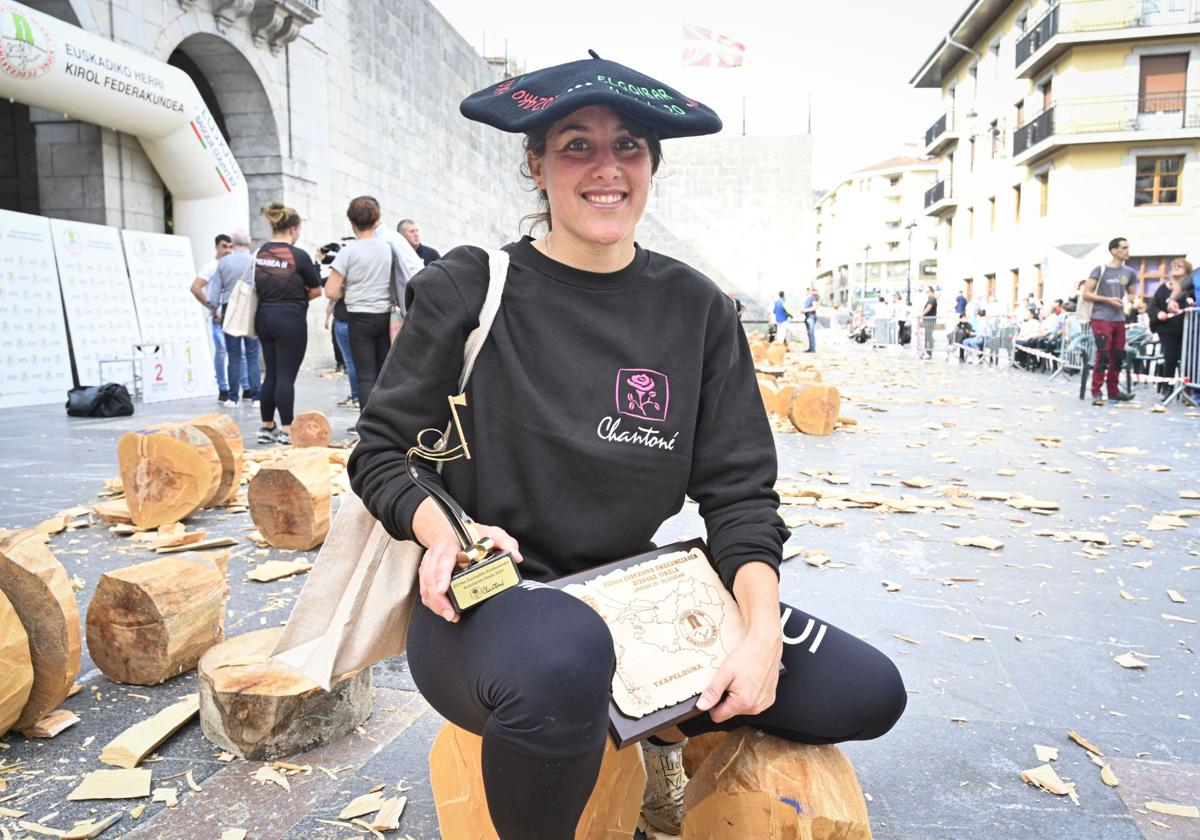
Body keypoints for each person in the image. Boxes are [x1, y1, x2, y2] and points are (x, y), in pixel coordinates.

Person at [347, 55, 906, 840]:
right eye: (577, 145)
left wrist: (759, 633)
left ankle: (661, 731)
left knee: (866, 691)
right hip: (489, 596)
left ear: (652, 166)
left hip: (638, 593)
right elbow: (378, 453)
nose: (606, 169)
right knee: (564, 659)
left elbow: (741, 496)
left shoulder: (699, 308)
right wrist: (447, 532)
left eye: (630, 146)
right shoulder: (469, 287)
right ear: (536, 166)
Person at [254, 202, 322, 445]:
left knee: (270, 373)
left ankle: (266, 427)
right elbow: (316, 290)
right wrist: (299, 295)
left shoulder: (260, 253)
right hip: (290, 319)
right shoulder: (298, 256)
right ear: (293, 229)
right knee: (285, 376)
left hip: (263, 317)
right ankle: (286, 429)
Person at [326, 197, 395, 408]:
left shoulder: (348, 252)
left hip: (359, 318)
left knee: (365, 375)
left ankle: (367, 428)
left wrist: (347, 286)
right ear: (377, 220)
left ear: (352, 222)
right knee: (384, 374)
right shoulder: (387, 248)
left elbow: (331, 290)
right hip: (384, 316)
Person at [209, 230, 262, 410]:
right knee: (252, 354)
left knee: (234, 354)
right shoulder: (256, 260)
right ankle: (256, 397)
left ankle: (233, 397)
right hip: (252, 308)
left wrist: (213, 309)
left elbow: (215, 291)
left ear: (233, 243)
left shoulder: (223, 263)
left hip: (229, 308)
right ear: (248, 243)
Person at [1082, 237, 1137, 406]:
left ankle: (1113, 392)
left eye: (1128, 247)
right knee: (1103, 354)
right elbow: (1086, 293)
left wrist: (1132, 302)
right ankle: (1097, 392)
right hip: (1101, 317)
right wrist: (1107, 300)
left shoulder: (1129, 272)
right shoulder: (1100, 269)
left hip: (1119, 318)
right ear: (1114, 250)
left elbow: (1131, 294)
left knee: (1118, 355)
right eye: (1124, 247)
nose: (1128, 250)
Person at [190, 234, 234, 402]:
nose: (228, 251)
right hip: (218, 318)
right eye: (224, 247)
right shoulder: (211, 266)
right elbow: (195, 288)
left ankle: (243, 387)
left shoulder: (231, 265)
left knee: (239, 353)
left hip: (232, 315)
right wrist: (212, 307)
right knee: (222, 352)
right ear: (216, 247)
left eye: (230, 247)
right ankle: (223, 389)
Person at [1150, 259, 1192, 400]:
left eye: (1180, 266)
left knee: (1189, 359)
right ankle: (1168, 388)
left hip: (1189, 329)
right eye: (1173, 266)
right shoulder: (1163, 288)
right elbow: (1153, 305)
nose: (1175, 268)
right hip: (1168, 329)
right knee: (1170, 358)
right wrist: (1158, 313)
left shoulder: (1191, 288)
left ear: (1187, 270)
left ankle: (1188, 389)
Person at [326, 297, 359, 409]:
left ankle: (356, 396)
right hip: (370, 317)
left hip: (345, 318)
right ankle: (365, 397)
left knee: (350, 361)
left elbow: (331, 294)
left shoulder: (342, 279)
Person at [919, 286, 938, 359]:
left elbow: (929, 307)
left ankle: (928, 352)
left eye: (927, 292)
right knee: (927, 337)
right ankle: (927, 351)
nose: (926, 294)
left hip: (929, 321)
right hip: (928, 320)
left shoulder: (932, 299)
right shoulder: (931, 299)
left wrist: (921, 315)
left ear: (931, 292)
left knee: (928, 337)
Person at [802, 287, 819, 352]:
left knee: (811, 333)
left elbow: (815, 307)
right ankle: (810, 348)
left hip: (811, 317)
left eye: (805, 291)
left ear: (808, 291)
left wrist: (805, 310)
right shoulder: (807, 299)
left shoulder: (812, 297)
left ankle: (813, 348)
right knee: (809, 333)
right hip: (807, 317)